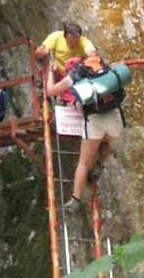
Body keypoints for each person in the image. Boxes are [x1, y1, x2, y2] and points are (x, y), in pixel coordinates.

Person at [45, 57, 123, 213]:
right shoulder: (104, 71)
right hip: (115, 118)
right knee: (106, 143)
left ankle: (75, 200)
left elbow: (50, 91)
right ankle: (99, 165)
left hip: (95, 122)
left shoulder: (74, 77)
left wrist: (49, 72)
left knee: (83, 162)